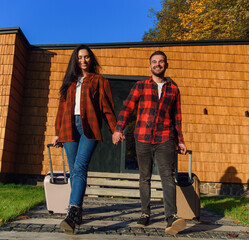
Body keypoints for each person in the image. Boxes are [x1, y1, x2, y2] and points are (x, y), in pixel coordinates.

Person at [112, 51, 187, 234]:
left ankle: (171, 217)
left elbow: (177, 117)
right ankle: (145, 213)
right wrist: (119, 128)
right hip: (143, 137)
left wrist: (181, 141)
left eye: (161, 62)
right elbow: (127, 107)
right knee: (144, 177)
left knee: (167, 177)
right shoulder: (140, 86)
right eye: (154, 62)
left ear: (166, 65)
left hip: (165, 138)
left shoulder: (174, 89)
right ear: (150, 66)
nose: (158, 64)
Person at [53, 44, 117, 234]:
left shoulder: (99, 80)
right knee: (74, 171)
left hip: (89, 127)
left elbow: (107, 108)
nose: (83, 60)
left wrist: (115, 129)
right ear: (75, 60)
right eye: (80, 57)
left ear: (91, 59)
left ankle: (72, 212)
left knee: (80, 167)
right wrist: (57, 132)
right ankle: (77, 211)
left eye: (87, 57)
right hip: (68, 127)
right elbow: (61, 110)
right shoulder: (69, 82)